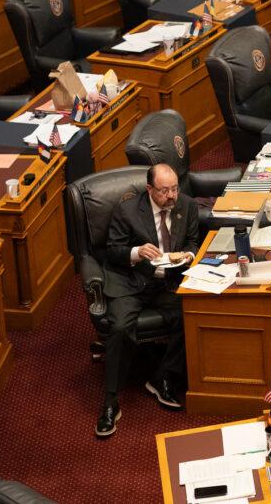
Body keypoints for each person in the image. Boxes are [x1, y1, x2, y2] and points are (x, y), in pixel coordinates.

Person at [96, 164, 200, 438]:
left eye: (175, 188)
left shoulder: (186, 206)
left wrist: (187, 256)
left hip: (166, 282)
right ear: (150, 189)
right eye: (164, 190)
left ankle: (162, 376)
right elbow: (113, 252)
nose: (172, 196)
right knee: (119, 328)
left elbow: (192, 243)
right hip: (130, 281)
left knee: (192, 313)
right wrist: (136, 252)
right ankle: (110, 401)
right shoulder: (127, 210)